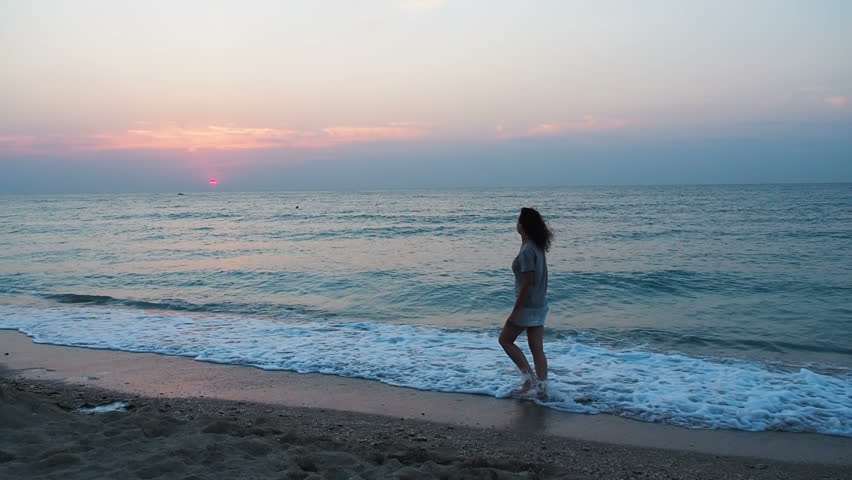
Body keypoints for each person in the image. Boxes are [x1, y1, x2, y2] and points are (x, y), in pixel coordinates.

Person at [499, 207, 552, 395]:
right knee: (537, 348)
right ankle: (543, 387)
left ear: (523, 225)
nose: (516, 223)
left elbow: (528, 282)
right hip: (539, 304)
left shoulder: (528, 250)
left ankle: (529, 380)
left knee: (505, 340)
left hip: (528, 306)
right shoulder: (537, 247)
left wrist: (516, 312)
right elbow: (542, 278)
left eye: (518, 220)